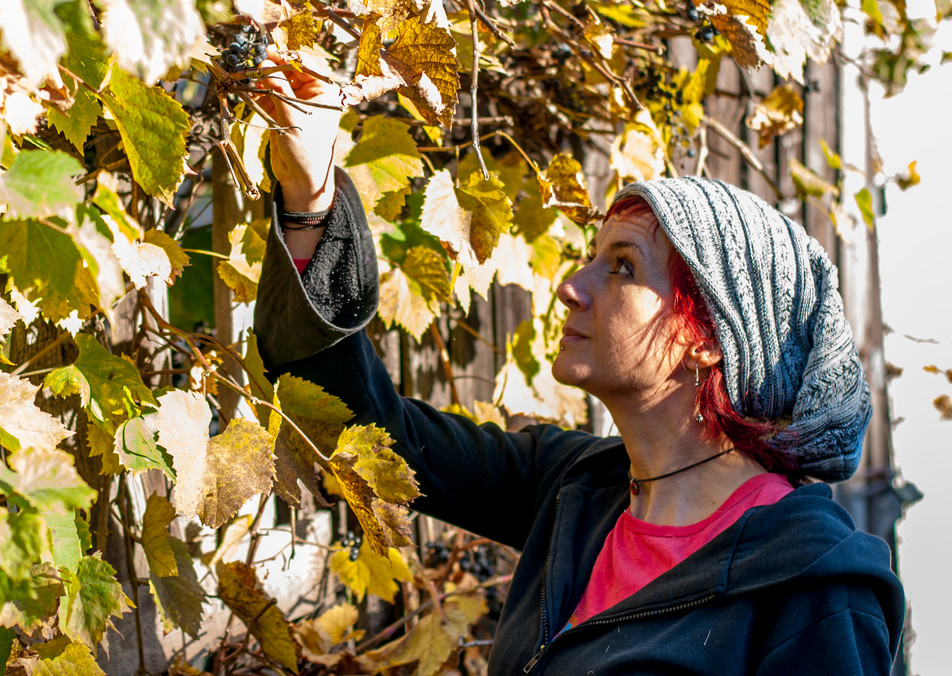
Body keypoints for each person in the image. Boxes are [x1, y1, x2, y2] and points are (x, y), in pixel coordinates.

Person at [250, 54, 905, 674]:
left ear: (708, 336)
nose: (572, 284)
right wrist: (309, 191)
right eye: (593, 257)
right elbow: (362, 430)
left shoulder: (811, 589)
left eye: (622, 266)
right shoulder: (576, 490)